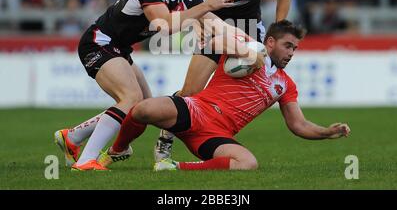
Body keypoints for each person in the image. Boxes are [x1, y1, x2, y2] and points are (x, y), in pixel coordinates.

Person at [54, 0, 237, 171]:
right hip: (98, 43)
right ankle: (85, 161)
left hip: (119, 49)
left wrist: (251, 48)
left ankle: (73, 137)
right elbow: (164, 25)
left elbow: (217, 25)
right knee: (130, 97)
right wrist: (205, 7)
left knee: (141, 110)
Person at [99, 20, 350, 171]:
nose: (292, 52)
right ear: (270, 42)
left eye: (295, 48)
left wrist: (327, 132)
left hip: (216, 135)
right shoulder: (246, 48)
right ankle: (118, 150)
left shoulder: (285, 85)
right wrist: (247, 53)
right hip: (195, 109)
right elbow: (215, 41)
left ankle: (173, 168)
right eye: (288, 46)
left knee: (248, 163)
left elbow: (299, 125)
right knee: (142, 109)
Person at [154, 0, 291, 162]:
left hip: (249, 37)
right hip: (216, 34)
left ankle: (218, 141)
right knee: (190, 92)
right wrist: (198, 27)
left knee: (241, 97)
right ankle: (165, 138)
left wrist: (278, 29)